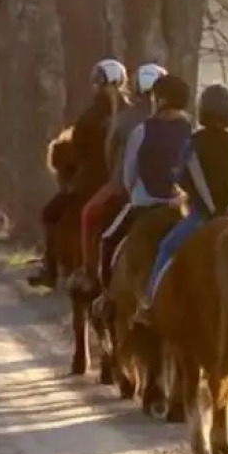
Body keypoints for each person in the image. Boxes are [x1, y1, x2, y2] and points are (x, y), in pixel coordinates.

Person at [133, 82, 228, 326]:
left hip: (201, 219)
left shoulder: (194, 142)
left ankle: (149, 304)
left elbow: (184, 179)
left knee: (166, 249)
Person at [94, 73, 193, 310]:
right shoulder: (192, 131)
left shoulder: (142, 131)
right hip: (184, 209)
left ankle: (107, 299)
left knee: (108, 241)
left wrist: (137, 192)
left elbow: (129, 174)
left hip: (145, 206)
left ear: (159, 100)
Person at [26, 58, 128, 288]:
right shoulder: (129, 114)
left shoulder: (90, 116)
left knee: (50, 213)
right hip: (126, 185)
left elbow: (77, 151)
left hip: (90, 184)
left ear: (99, 83)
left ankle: (49, 269)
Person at [70, 62, 166, 297]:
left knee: (90, 216)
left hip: (125, 187)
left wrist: (116, 176)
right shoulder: (178, 121)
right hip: (170, 194)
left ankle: (92, 275)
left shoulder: (124, 119)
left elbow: (109, 150)